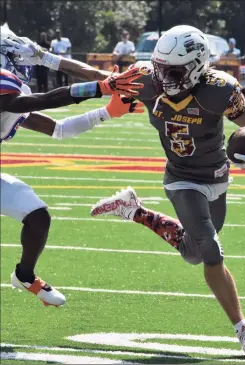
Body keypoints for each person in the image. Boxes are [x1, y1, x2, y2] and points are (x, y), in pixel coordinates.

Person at [90, 25, 245, 356]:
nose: (163, 76)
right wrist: (50, 63)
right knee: (211, 249)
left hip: (217, 176)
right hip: (180, 179)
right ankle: (243, 329)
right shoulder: (147, 80)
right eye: (160, 67)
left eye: (173, 70)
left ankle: (132, 210)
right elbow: (99, 77)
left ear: (197, 65)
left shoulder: (220, 89)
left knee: (193, 252)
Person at [0, 27, 144, 307]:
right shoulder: (8, 93)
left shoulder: (8, 100)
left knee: (38, 216)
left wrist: (106, 110)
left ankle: (25, 276)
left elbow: (59, 129)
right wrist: (99, 87)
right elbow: (43, 100)